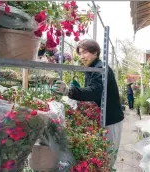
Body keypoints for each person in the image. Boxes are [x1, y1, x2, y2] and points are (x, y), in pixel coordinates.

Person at [52, 39, 124, 167]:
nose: (81, 57)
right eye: (79, 53)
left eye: (84, 52)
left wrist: (70, 91)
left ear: (95, 52)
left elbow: (95, 91)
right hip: (102, 116)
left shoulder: (101, 68)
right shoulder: (91, 68)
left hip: (111, 118)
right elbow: (92, 90)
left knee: (108, 155)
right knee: (101, 152)